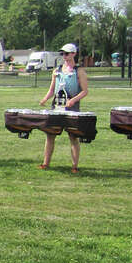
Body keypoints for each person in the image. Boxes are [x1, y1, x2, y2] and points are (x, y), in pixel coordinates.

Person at [38, 43, 89, 173]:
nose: (64, 56)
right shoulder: (57, 71)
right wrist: (44, 99)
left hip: (72, 108)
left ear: (73, 54)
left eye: (67, 53)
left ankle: (74, 166)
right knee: (50, 135)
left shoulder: (80, 71)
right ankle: (45, 163)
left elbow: (85, 91)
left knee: (73, 136)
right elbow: (51, 90)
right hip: (56, 106)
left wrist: (73, 100)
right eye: (63, 54)